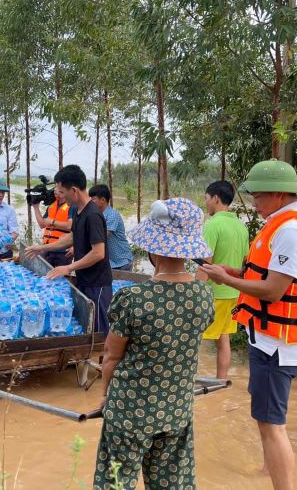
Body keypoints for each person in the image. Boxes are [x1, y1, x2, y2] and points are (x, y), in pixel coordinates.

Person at [202, 159, 297, 490]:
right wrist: (234, 273)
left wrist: (222, 278)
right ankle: (270, 471)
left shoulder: (292, 231)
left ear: (279, 195)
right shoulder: (283, 224)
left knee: (272, 425)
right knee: (267, 422)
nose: (253, 203)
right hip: (267, 339)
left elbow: (273, 291)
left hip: (277, 345)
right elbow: (269, 277)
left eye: (257, 197)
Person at [93, 198, 214, 489]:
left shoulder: (134, 298)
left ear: (152, 249)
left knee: (116, 483)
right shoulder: (203, 296)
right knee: (170, 484)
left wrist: (105, 395)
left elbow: (111, 357)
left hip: (129, 412)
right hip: (177, 409)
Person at [24, 165, 113, 333]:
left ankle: (102, 359)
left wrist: (69, 267)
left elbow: (98, 252)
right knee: (87, 327)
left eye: (62, 192)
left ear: (74, 190)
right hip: (85, 279)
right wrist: (41, 248)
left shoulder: (92, 215)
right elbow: (72, 237)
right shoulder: (79, 211)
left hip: (97, 283)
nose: (59, 196)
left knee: (99, 331)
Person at [196, 180, 249, 380]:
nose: (206, 203)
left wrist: (195, 292)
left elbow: (205, 264)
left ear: (216, 198)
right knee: (223, 338)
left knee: (194, 338)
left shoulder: (212, 225)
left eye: (206, 199)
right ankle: (221, 381)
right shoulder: (240, 226)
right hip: (234, 292)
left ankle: (185, 383)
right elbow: (245, 262)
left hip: (213, 293)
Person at [88, 184, 134, 271]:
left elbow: (106, 234)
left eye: (93, 199)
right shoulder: (97, 215)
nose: (91, 202)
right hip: (110, 262)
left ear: (103, 200)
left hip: (122, 261)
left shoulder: (112, 214)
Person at [33, 185, 75, 267]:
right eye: (55, 190)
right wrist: (35, 207)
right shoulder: (51, 205)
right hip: (47, 248)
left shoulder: (72, 206)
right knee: (44, 275)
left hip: (63, 251)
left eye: (58, 190)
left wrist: (52, 221)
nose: (55, 191)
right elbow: (42, 224)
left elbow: (70, 226)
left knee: (61, 277)